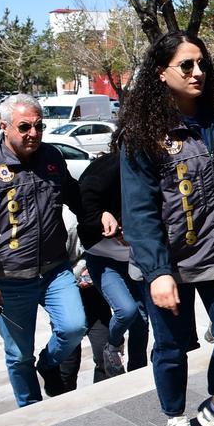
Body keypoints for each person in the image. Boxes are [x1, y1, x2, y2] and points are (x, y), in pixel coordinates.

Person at [118, 30, 214, 426]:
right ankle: (176, 419)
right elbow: (139, 211)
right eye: (187, 65)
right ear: (161, 73)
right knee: (173, 348)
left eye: (202, 64)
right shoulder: (143, 133)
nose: (198, 73)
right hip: (170, 264)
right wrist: (157, 272)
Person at [0, 94, 86, 407]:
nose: (33, 133)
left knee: (74, 327)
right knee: (18, 356)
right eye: (24, 126)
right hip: (10, 279)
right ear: (4, 127)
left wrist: (102, 217)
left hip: (55, 271)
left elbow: (75, 197)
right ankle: (30, 411)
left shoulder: (52, 158)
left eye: (39, 126)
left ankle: (49, 363)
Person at [77, 149, 149, 377]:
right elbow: (83, 201)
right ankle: (112, 345)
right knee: (126, 311)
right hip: (103, 257)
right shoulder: (109, 168)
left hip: (134, 258)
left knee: (141, 319)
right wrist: (103, 218)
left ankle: (138, 371)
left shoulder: (154, 169)